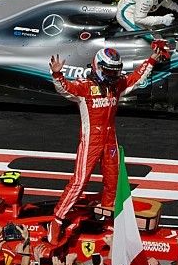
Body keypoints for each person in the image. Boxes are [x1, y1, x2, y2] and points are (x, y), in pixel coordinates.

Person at [45, 41, 170, 243]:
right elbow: (65, 89)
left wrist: (152, 60)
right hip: (91, 140)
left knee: (113, 180)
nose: (113, 76)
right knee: (80, 181)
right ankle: (57, 220)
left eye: (115, 71)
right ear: (98, 67)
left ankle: (106, 218)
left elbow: (135, 79)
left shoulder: (117, 85)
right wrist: (57, 75)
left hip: (110, 139)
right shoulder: (84, 87)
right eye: (109, 71)